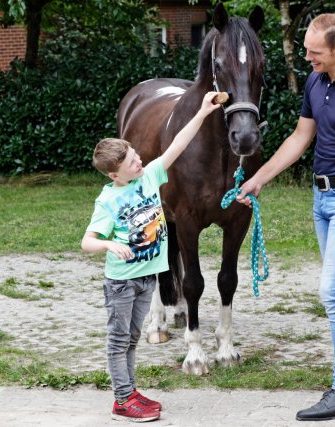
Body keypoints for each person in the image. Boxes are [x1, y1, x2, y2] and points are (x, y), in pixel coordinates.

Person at [237, 13, 335, 422]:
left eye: (315, 52)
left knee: (333, 293)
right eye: (305, 49)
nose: (307, 57)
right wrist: (259, 177)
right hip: (321, 200)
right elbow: (301, 137)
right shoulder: (315, 81)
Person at [81, 92, 221, 422]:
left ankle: (128, 392)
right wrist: (108, 245)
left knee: (132, 338)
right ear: (116, 174)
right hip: (121, 283)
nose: (140, 160)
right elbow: (87, 241)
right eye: (132, 162)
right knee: (119, 340)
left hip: (147, 280)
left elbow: (178, 145)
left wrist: (201, 112)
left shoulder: (150, 176)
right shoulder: (107, 202)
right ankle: (122, 400)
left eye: (137, 155)